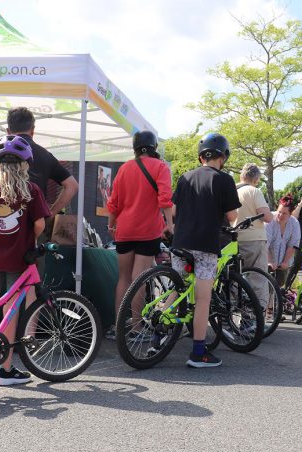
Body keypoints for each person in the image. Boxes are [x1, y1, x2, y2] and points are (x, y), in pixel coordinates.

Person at [0, 135, 51, 385]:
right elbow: (39, 224)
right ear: (25, 166)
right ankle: (4, 369)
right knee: (10, 312)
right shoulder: (31, 191)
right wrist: (29, 239)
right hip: (19, 259)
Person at [0, 107, 78, 310]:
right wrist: (50, 211)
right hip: (33, 228)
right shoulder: (45, 154)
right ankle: (27, 338)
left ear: (7, 130)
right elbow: (72, 185)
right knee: (30, 286)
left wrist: (1, 193)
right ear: (33, 130)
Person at [171, 133, 241, 368]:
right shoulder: (224, 180)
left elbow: (173, 211)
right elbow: (232, 217)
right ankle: (198, 353)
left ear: (201, 156)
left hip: (179, 243)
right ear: (223, 156)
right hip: (205, 246)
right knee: (203, 299)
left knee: (176, 288)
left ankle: (158, 334)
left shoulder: (185, 177)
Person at [107, 130, 174, 335]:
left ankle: (119, 326)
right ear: (153, 147)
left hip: (124, 230)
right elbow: (165, 198)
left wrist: (111, 225)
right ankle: (136, 327)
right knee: (139, 278)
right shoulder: (160, 167)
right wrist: (169, 223)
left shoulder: (125, 168)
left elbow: (114, 202)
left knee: (124, 278)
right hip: (148, 231)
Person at [234, 163, 273, 307]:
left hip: (233, 240)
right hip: (254, 240)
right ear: (256, 179)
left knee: (233, 279)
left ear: (241, 175)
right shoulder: (254, 191)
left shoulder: (231, 190)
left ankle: (227, 319)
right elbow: (267, 217)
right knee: (258, 279)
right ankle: (253, 318)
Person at [266, 194, 301, 287]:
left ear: (290, 214)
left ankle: (276, 301)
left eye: (284, 213)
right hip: (267, 257)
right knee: (267, 285)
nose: (280, 215)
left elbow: (292, 244)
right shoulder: (270, 220)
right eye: (279, 212)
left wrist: (285, 262)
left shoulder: (295, 223)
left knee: (280, 284)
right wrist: (270, 261)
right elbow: (265, 243)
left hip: (284, 260)